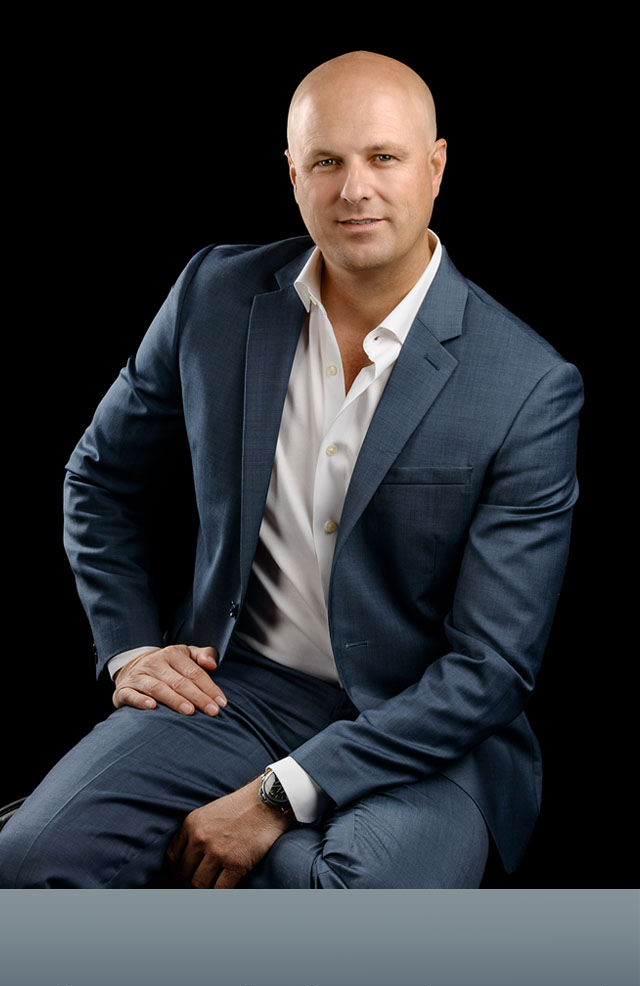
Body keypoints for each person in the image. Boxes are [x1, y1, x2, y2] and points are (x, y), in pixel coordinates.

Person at [0, 51, 582, 889]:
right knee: (28, 859)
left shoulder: (526, 385)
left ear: (435, 167)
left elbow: (491, 669)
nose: (355, 189)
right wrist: (130, 648)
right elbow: (98, 478)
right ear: (293, 174)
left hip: (426, 731)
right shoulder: (214, 294)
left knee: (339, 908)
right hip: (234, 692)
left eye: (383, 157)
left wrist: (274, 799)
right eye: (327, 161)